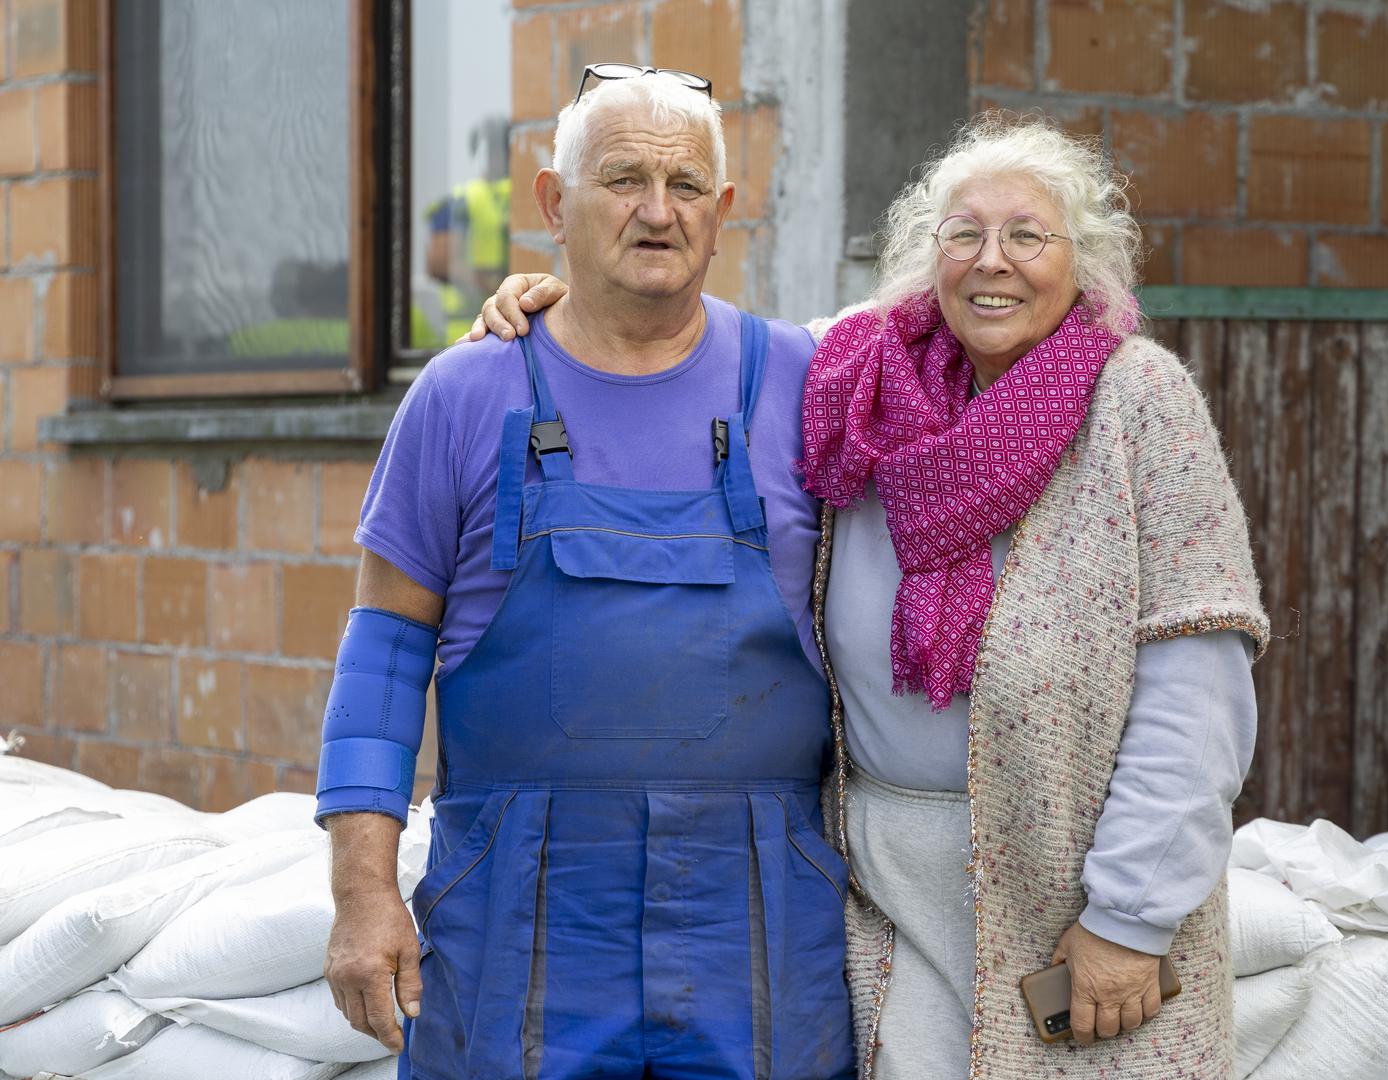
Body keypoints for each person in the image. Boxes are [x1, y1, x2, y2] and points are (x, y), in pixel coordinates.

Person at [472, 113, 1267, 1079]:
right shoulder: (856, 373)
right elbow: (692, 340)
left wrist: (1132, 917)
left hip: (1068, 884)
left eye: (1028, 235)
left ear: (1085, 262)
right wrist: (560, 308)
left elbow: (1196, 686)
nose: (992, 261)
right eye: (963, 233)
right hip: (881, 883)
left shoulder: (1139, 402)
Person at [315, 66, 855, 1080]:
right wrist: (362, 891)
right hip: (520, 910)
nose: (657, 211)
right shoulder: (465, 394)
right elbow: (383, 652)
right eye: (621, 180)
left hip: (759, 921)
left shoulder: (803, 380)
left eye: (686, 185)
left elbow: (972, 310)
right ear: (552, 205)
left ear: (724, 210)